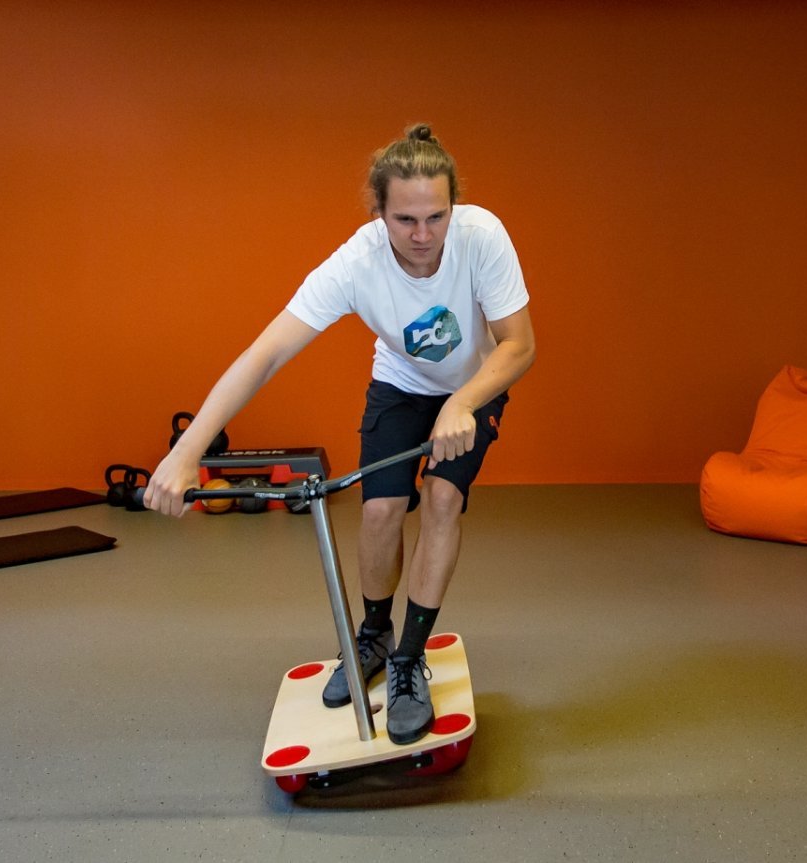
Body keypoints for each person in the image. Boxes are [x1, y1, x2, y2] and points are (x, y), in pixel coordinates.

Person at [144, 124, 535, 745]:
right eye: (405, 219)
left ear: (453, 205)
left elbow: (519, 345)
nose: (423, 236)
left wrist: (462, 401)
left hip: (476, 385)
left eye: (436, 216)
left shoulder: (481, 237)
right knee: (379, 510)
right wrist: (187, 451)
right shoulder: (356, 262)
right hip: (401, 383)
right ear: (378, 211)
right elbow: (265, 353)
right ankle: (374, 633)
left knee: (440, 498)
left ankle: (408, 658)